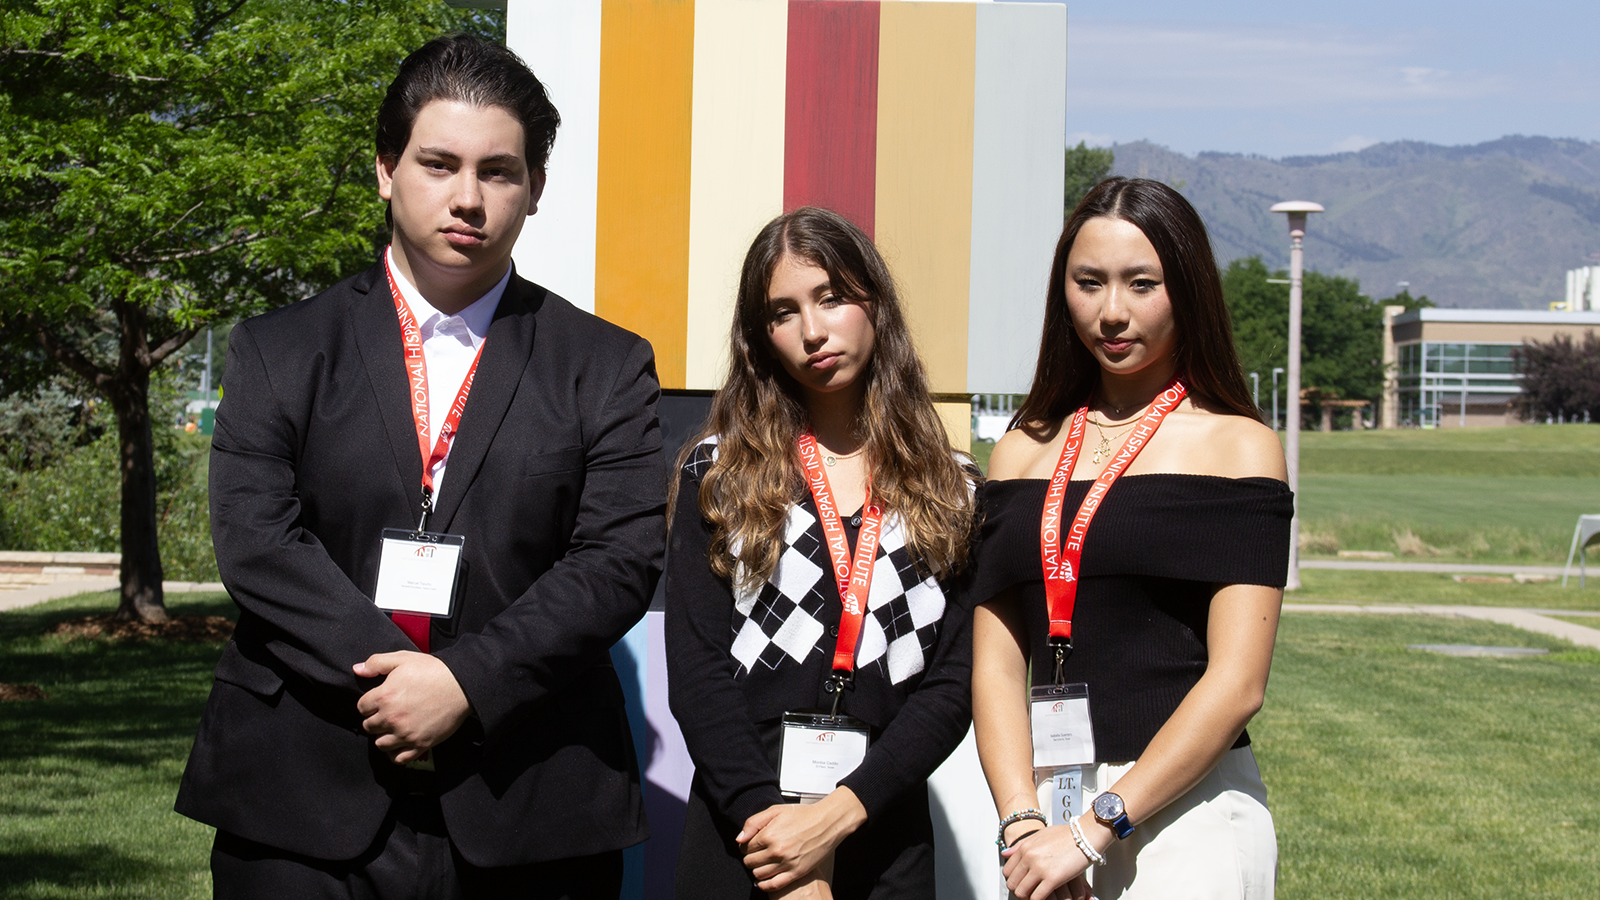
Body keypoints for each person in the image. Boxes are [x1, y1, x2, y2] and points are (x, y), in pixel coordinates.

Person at [175, 34, 665, 899]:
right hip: (300, 798)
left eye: (498, 171)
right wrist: (403, 682)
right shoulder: (280, 349)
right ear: (385, 171)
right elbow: (256, 541)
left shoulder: (605, 364)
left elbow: (618, 559)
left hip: (527, 798)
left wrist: (465, 684)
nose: (467, 198)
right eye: (438, 164)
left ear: (536, 189)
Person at [971, 177, 1292, 900]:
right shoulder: (1021, 449)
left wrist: (1093, 829)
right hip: (1043, 815)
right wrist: (1023, 822)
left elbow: (1238, 685)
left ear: (1187, 291)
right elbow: (994, 664)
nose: (1112, 312)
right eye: (1089, 283)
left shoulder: (1239, 448)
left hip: (1190, 817)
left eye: (1141, 284)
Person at [664, 207, 978, 899]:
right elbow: (696, 675)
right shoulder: (720, 476)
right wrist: (777, 840)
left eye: (831, 298)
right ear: (760, 337)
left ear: (875, 304)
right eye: (783, 312)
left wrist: (839, 816)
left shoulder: (953, 490)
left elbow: (952, 690)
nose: (811, 331)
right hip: (742, 835)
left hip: (882, 827)